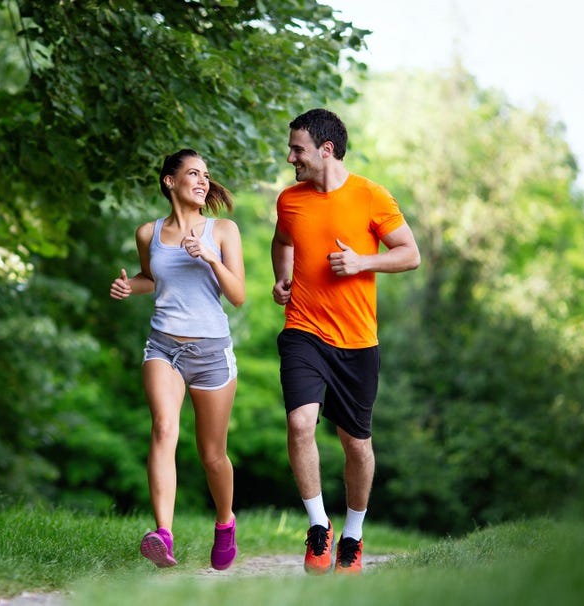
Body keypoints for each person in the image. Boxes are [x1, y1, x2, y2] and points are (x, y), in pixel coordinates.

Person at [271, 109, 420, 575]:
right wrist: (283, 277)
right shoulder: (289, 201)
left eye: (297, 148)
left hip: (357, 341)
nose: (291, 156)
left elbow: (410, 254)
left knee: (356, 444)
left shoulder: (371, 196)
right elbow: (282, 241)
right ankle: (319, 526)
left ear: (326, 149)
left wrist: (361, 263)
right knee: (300, 424)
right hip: (304, 331)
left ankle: (352, 533)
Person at [110, 149, 245, 571]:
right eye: (193, 173)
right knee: (164, 428)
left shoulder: (222, 230)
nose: (203, 181)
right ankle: (162, 534)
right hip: (163, 346)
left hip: (211, 353)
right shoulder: (148, 233)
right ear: (170, 181)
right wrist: (130, 286)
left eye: (206, 174)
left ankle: (225, 523)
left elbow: (238, 295)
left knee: (212, 456)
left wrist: (208, 257)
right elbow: (152, 277)